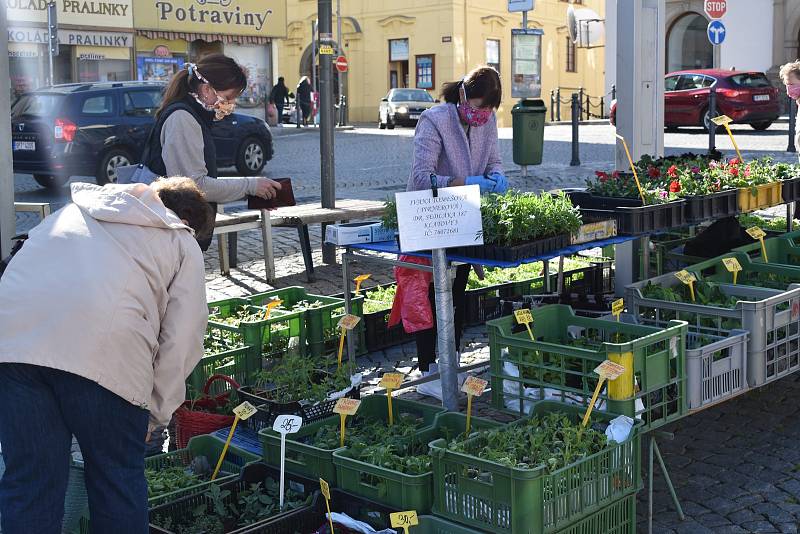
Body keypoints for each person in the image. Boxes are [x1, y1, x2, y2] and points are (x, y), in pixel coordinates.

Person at [0, 178, 214, 533]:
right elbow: (183, 339)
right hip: (104, 356)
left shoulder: (71, 213)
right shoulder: (180, 238)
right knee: (116, 480)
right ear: (188, 219)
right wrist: (155, 414)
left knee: (30, 483)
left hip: (14, 345)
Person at [390, 66, 508, 394]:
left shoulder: (488, 122)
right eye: (476, 107)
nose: (481, 115)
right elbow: (420, 178)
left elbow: (493, 160)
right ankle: (428, 371)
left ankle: (451, 365)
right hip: (430, 221)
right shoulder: (434, 121)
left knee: (456, 296)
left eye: (487, 110)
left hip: (464, 220)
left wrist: (496, 176)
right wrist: (464, 182)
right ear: (462, 96)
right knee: (429, 299)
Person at [144, 53, 281, 250]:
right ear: (207, 89)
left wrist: (255, 192)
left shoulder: (190, 115)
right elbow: (195, 186)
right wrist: (250, 186)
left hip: (178, 231)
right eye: (227, 98)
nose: (230, 106)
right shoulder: (183, 119)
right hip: (174, 234)